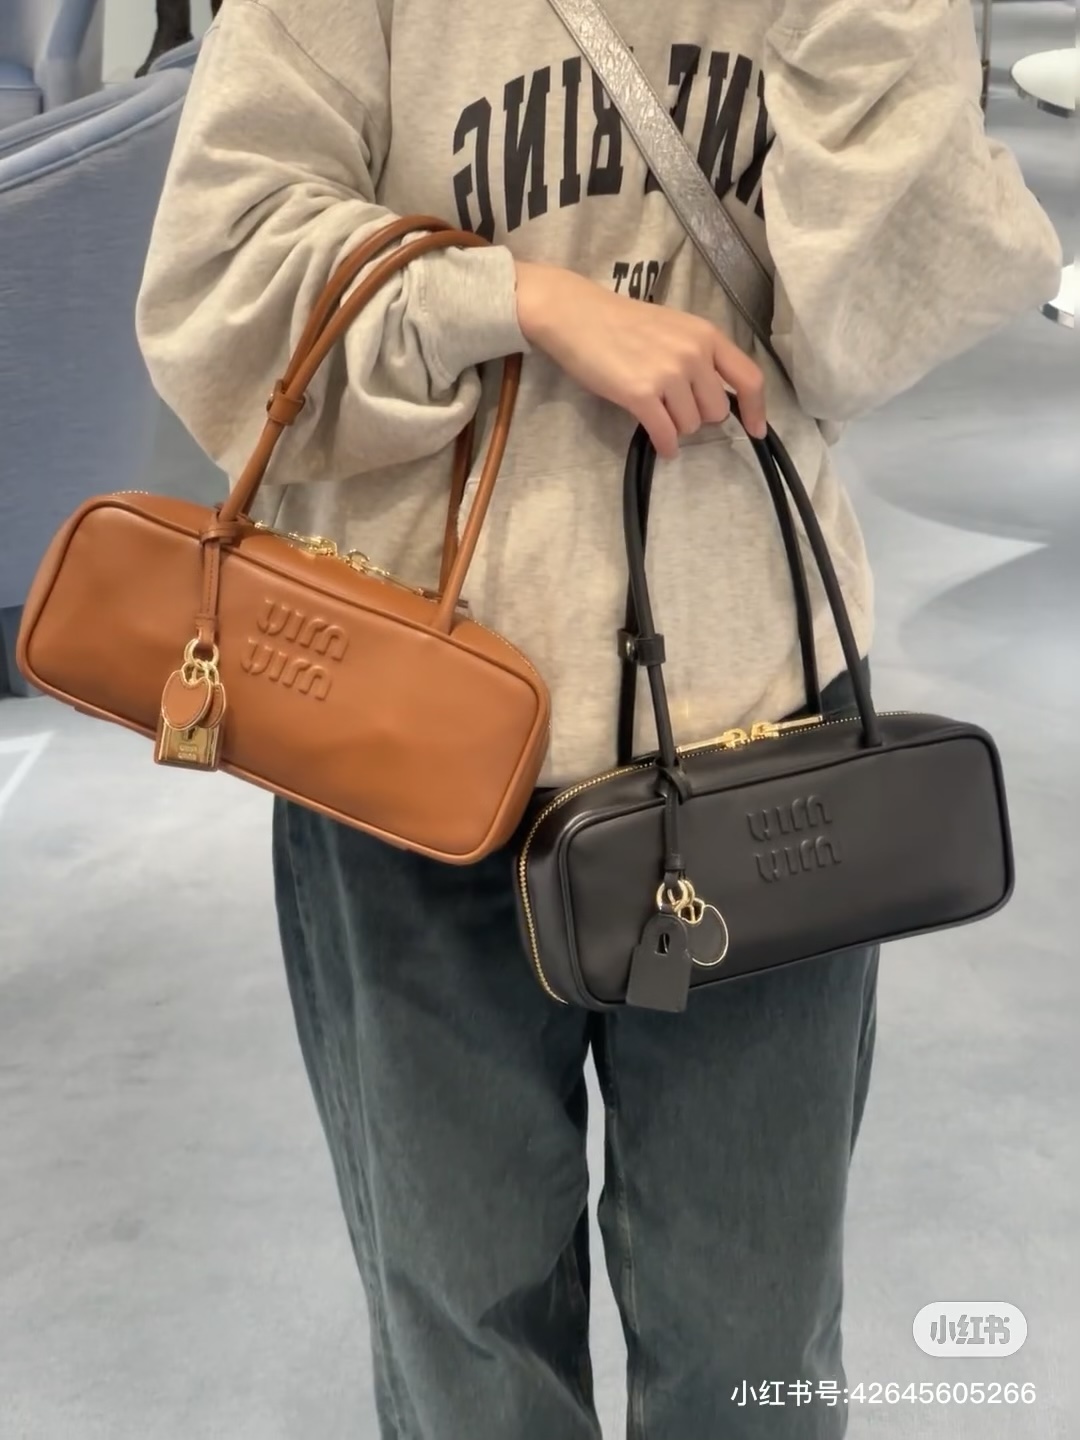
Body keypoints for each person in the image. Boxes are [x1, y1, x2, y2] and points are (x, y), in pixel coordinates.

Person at [135, 3, 1061, 1436]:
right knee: (465, 1343)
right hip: (416, 733)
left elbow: (878, 322)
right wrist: (517, 299)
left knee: (755, 1343)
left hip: (755, 724)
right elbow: (217, 287)